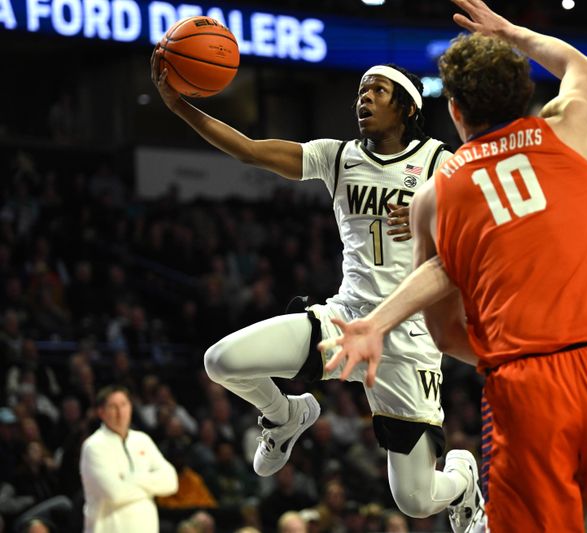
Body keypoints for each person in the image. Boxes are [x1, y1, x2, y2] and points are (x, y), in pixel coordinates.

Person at [322, 0, 587, 531]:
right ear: (527, 95)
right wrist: (512, 32)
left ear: (457, 113)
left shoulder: (436, 195)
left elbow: (443, 332)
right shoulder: (567, 130)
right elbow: (585, 70)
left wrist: (499, 356)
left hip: (524, 382)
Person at [151, 40, 483, 531]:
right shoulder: (338, 156)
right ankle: (285, 415)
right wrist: (181, 105)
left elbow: (487, 226)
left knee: (415, 500)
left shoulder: (441, 162)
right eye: (360, 91)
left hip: (408, 340)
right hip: (345, 318)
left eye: (377, 90)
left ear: (408, 106)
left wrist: (428, 218)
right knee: (220, 361)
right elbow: (249, 150)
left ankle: (464, 477)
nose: (363, 99)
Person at [79, 385, 178, 533]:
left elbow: (171, 482)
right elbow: (115, 493)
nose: (120, 412)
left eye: (124, 405)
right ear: (101, 412)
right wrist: (152, 484)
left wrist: (130, 479)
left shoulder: (142, 440)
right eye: (113, 407)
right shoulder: (94, 446)